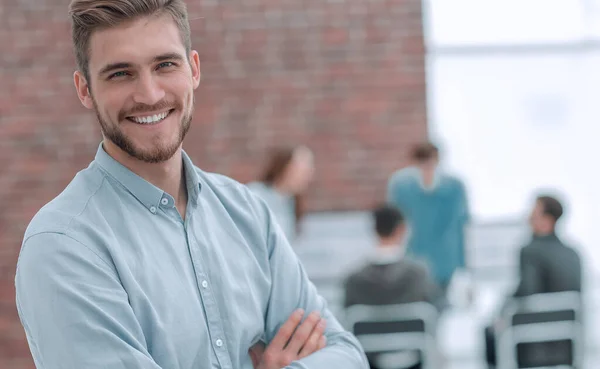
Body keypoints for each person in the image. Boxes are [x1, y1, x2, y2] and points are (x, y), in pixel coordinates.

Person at [14, 1, 368, 369]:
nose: (149, 94)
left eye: (165, 64)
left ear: (194, 69)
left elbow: (347, 355)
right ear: (84, 89)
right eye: (120, 74)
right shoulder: (63, 246)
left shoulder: (246, 213)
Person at [484, 195, 582, 368]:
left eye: (534, 212)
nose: (528, 217)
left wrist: (502, 310)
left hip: (535, 340)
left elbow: (527, 292)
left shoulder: (530, 251)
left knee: (490, 329)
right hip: (568, 341)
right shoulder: (573, 253)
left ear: (548, 219)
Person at [344, 205, 447, 369]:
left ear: (375, 230)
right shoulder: (418, 274)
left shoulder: (353, 280)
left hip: (369, 359)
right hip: (414, 356)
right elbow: (436, 310)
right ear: (401, 230)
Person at [386, 142, 470, 290]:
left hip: (446, 262)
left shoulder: (455, 187)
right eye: (422, 165)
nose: (427, 170)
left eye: (430, 165)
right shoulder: (401, 186)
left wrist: (463, 268)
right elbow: (394, 226)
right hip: (413, 259)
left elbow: (460, 227)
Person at [247, 146, 315, 242]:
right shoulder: (254, 195)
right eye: (302, 170)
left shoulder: (291, 202)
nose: (307, 177)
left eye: (309, 171)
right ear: (284, 168)